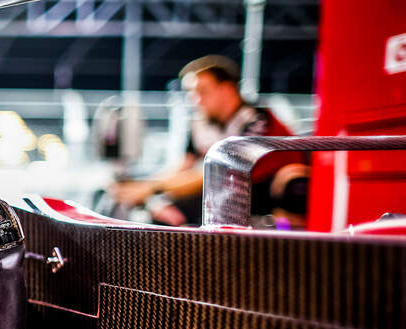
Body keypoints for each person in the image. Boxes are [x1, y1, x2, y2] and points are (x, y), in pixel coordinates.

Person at [110, 55, 300, 226]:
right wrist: (142, 186)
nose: (195, 100)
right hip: (226, 191)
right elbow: (184, 166)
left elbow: (220, 175)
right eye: (191, 93)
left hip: (264, 193)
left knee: (170, 210)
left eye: (202, 91)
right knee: (153, 205)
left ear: (227, 89)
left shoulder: (256, 120)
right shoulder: (200, 121)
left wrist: (150, 189)